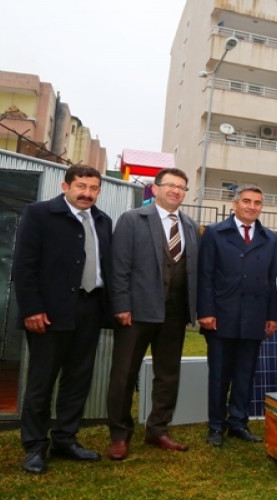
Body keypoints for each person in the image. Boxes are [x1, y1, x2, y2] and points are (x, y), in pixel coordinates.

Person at [13, 165, 113, 474]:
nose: (87, 193)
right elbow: (24, 265)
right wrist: (31, 308)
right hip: (49, 313)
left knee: (78, 379)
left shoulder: (102, 220)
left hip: (90, 309)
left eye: (93, 188)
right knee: (41, 382)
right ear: (65, 185)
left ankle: (65, 439)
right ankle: (34, 446)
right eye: (81, 186)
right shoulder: (39, 214)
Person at [106, 167, 199, 460]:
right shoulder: (132, 219)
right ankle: (120, 435)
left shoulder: (190, 225)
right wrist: (121, 305)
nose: (176, 191)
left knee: (168, 374)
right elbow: (118, 266)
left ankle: (158, 429)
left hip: (175, 313)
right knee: (124, 374)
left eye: (181, 187)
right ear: (155, 188)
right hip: (136, 312)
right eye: (170, 185)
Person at [197, 184, 277, 447]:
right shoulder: (214, 233)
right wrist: (206, 311)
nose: (251, 206)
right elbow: (206, 275)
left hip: (255, 316)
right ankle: (216, 426)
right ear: (235, 204)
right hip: (221, 316)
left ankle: (238, 422)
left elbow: (273, 278)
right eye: (246, 201)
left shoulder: (270, 238)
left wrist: (272, 315)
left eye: (257, 202)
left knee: (245, 373)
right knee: (219, 374)